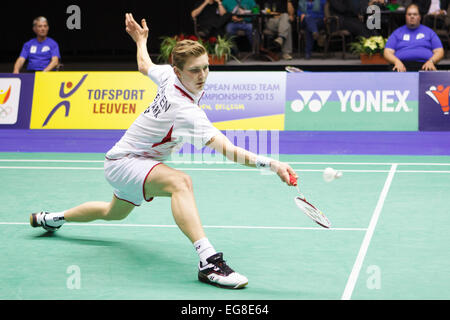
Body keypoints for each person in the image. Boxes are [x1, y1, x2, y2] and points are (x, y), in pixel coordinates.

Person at [29, 13, 298, 290]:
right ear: (179, 71)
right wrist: (272, 164)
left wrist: (141, 40)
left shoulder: (169, 75)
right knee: (180, 182)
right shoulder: (185, 110)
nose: (203, 75)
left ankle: (52, 219)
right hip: (126, 162)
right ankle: (208, 261)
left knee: (113, 212)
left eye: (206, 68)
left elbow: (145, 65)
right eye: (195, 70)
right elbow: (229, 151)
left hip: (132, 163)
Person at [383, 3, 444, 71]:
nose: (412, 16)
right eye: (409, 14)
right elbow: (387, 52)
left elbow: (439, 51)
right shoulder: (397, 33)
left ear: (420, 17)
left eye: (415, 14)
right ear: (405, 16)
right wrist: (396, 62)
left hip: (425, 65)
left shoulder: (429, 32)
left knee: (431, 73)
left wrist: (431, 62)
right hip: (401, 65)